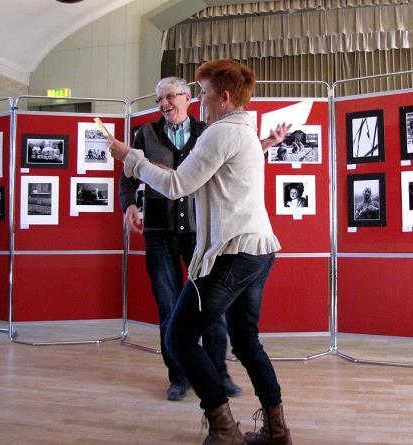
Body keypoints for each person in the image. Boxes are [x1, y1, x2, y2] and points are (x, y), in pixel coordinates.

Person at [110, 60, 291, 445]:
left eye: (204, 92)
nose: (201, 99)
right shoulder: (243, 130)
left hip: (233, 254)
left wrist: (131, 157)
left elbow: (176, 185)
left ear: (223, 97)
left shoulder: (218, 133)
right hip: (257, 251)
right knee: (245, 341)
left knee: (178, 337)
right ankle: (277, 431)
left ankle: (225, 431)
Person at [119, 76, 241, 402]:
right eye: (159, 99)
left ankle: (216, 375)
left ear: (187, 98)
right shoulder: (144, 134)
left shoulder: (207, 133)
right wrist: (129, 205)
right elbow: (128, 176)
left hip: (201, 234)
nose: (164, 104)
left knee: (211, 306)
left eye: (170, 97)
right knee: (168, 308)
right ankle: (179, 377)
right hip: (158, 233)